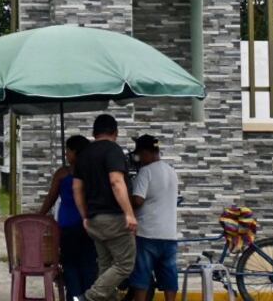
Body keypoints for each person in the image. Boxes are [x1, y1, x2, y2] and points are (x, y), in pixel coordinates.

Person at [73, 114, 138, 301]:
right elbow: (116, 181)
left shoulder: (84, 154)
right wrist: (129, 214)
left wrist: (84, 216)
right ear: (115, 132)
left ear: (94, 133)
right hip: (114, 219)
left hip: (94, 220)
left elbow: (77, 188)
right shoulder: (113, 150)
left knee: (106, 265)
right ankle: (88, 298)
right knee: (125, 264)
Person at [39, 135, 98, 301]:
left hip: (67, 226)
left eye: (68, 151)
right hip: (88, 224)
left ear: (75, 152)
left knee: (70, 264)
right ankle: (87, 296)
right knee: (87, 263)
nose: (66, 154)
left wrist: (40, 216)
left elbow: (51, 198)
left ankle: (75, 297)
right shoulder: (92, 173)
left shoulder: (63, 173)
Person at [129, 134, 180, 301]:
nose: (139, 159)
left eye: (139, 155)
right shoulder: (171, 171)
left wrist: (124, 198)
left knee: (142, 278)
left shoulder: (146, 171)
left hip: (147, 235)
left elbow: (138, 199)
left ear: (146, 152)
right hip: (169, 235)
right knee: (169, 277)